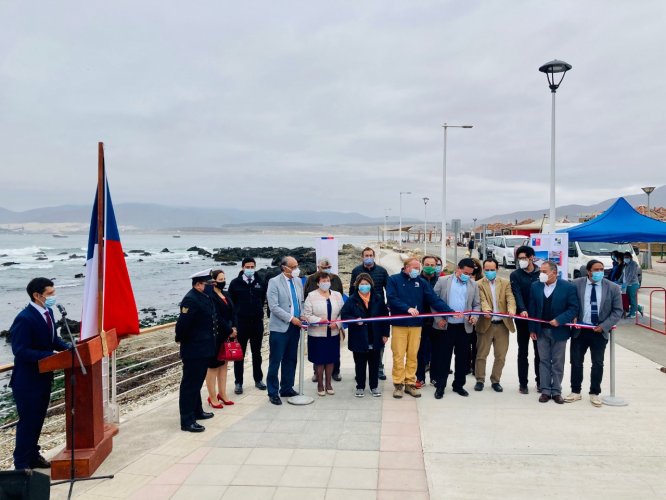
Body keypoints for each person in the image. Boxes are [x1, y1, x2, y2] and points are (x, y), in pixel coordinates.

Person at [9, 277, 71, 470]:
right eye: (50, 294)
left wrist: (70, 348)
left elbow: (53, 339)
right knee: (28, 422)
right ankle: (21, 464)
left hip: (45, 377)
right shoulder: (24, 318)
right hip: (27, 381)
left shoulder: (48, 311)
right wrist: (49, 355)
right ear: (37, 295)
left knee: (38, 420)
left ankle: (33, 456)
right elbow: (20, 350)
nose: (53, 297)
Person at [387, 257, 456, 399]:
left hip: (416, 325)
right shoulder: (394, 280)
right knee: (398, 355)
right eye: (414, 268)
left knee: (413, 355)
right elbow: (392, 298)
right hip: (399, 324)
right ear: (406, 267)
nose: (417, 271)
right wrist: (407, 308)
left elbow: (433, 299)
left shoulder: (421, 282)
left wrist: (450, 311)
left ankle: (410, 383)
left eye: (418, 268)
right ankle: (398, 384)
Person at [565, 260, 623, 407]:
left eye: (601, 269)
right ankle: (575, 391)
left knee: (597, 363)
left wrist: (604, 326)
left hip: (599, 331)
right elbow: (570, 303)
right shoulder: (576, 284)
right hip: (580, 330)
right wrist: (573, 315)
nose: (599, 272)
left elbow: (618, 311)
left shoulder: (613, 288)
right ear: (588, 271)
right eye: (596, 269)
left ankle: (594, 393)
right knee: (576, 362)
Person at [528, 261, 579, 404]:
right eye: (540, 272)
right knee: (543, 360)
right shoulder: (535, 286)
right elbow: (532, 308)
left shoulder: (568, 287)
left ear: (554, 273)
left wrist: (560, 320)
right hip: (541, 330)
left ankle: (556, 391)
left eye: (544, 272)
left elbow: (573, 308)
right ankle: (545, 390)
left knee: (557, 361)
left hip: (559, 330)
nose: (541, 274)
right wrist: (532, 328)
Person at [431, 258, 481, 399]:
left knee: (462, 358)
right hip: (446, 326)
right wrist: (439, 319)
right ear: (458, 269)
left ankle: (458, 385)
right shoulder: (443, 281)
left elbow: (477, 305)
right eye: (465, 272)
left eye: (470, 274)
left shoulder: (473, 285)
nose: (467, 276)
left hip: (464, 328)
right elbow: (434, 301)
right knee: (443, 358)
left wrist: (475, 317)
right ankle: (440, 386)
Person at [175, 269, 217, 432]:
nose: (212, 286)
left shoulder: (204, 296)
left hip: (204, 348)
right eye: (209, 284)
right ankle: (187, 420)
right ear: (199, 284)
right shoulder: (191, 300)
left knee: (197, 382)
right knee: (190, 385)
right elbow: (183, 325)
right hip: (194, 349)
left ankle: (197, 411)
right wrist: (182, 340)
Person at [341, 273, 390, 397]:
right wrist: (354, 319)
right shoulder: (352, 299)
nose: (364, 286)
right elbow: (345, 316)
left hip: (376, 335)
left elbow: (385, 317)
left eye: (367, 284)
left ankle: (374, 386)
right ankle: (360, 386)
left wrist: (385, 334)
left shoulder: (378, 298)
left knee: (374, 364)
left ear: (371, 285)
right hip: (359, 337)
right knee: (360, 364)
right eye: (362, 284)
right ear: (357, 285)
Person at [266, 256, 304, 405]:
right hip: (280, 329)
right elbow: (273, 307)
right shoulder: (274, 282)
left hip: (295, 328)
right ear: (284, 267)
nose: (296, 269)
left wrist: (301, 315)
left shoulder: (298, 281)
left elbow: (300, 301)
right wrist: (291, 318)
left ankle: (287, 388)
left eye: (297, 266)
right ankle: (273, 392)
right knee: (276, 360)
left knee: (291, 359)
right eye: (293, 267)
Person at [474, 258, 516, 392]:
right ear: (483, 270)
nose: (490, 272)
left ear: (497, 269)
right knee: (481, 355)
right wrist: (486, 310)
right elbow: (481, 300)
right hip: (486, 324)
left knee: (500, 356)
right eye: (487, 270)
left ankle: (495, 380)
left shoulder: (505, 283)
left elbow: (510, 298)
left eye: (492, 270)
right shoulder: (478, 284)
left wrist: (511, 310)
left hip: (502, 325)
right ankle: (480, 380)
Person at [229, 257, 267, 395]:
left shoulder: (260, 282)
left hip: (257, 323)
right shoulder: (235, 283)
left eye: (252, 266)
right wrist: (233, 325)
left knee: (257, 354)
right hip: (241, 324)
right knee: (239, 355)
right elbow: (231, 305)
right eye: (247, 266)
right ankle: (238, 382)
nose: (250, 269)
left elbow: (262, 299)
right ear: (243, 267)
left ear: (255, 267)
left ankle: (258, 379)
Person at [350, 247, 390, 379]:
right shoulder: (356, 271)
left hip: (377, 310)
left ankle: (379, 367)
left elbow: (388, 289)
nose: (368, 257)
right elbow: (352, 290)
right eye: (366, 255)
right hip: (361, 309)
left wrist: (388, 305)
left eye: (370, 255)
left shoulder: (382, 271)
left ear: (374, 256)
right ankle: (360, 371)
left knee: (378, 340)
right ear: (362, 257)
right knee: (361, 341)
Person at [303, 272, 344, 396]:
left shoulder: (337, 295)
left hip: (333, 332)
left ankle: (329, 384)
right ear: (318, 283)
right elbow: (307, 315)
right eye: (323, 281)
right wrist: (319, 321)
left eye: (327, 280)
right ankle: (320, 384)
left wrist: (337, 324)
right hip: (317, 334)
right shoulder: (311, 296)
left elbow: (343, 313)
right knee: (320, 360)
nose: (325, 283)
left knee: (331, 359)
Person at [510, 245, 541, 394]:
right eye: (519, 258)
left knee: (539, 351)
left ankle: (540, 381)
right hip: (522, 318)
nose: (521, 261)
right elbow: (517, 293)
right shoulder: (515, 274)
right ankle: (523, 383)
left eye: (524, 258)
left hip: (537, 318)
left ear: (531, 258)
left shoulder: (541, 273)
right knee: (523, 351)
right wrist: (522, 309)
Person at [204, 270, 236, 409]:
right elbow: (216, 316)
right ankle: (212, 396)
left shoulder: (226, 294)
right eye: (221, 279)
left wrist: (234, 328)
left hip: (229, 334)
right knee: (213, 367)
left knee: (224, 365)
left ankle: (222, 393)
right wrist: (229, 330)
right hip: (217, 335)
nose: (223, 281)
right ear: (214, 281)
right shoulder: (210, 296)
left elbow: (233, 312)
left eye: (224, 278)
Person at [415, 255, 439, 388]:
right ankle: (420, 377)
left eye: (433, 265)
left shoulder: (441, 280)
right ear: (423, 265)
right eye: (427, 264)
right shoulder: (416, 280)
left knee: (437, 351)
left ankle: (434, 377)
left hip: (437, 321)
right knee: (420, 351)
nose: (430, 267)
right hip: (421, 321)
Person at [621, 252, 642, 318]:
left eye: (627, 257)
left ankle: (633, 313)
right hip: (627, 284)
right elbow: (623, 274)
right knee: (628, 299)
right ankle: (639, 308)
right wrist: (619, 281)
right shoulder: (625, 265)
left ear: (630, 258)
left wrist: (626, 283)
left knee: (632, 299)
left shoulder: (633, 264)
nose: (625, 259)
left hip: (633, 284)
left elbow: (631, 275)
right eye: (625, 257)